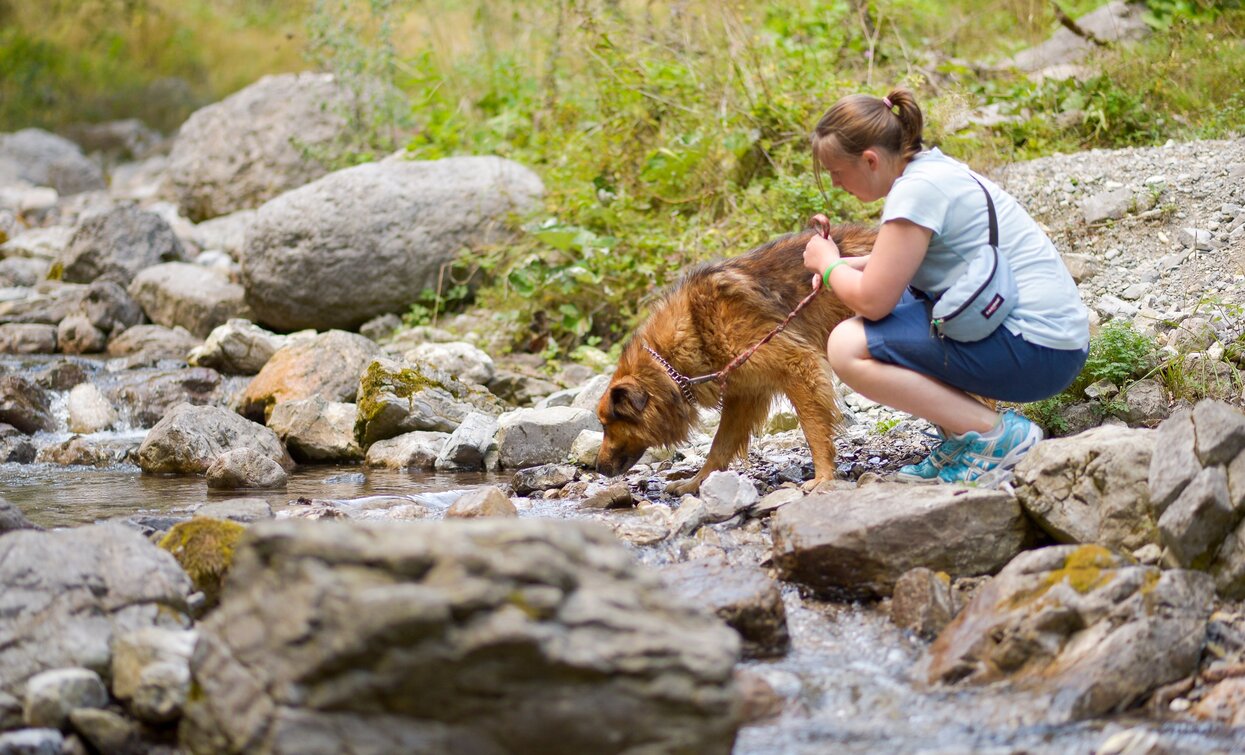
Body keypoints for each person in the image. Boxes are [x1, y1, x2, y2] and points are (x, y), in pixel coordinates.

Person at [802, 88, 1089, 484]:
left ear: (869, 160)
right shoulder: (931, 171)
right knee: (896, 307)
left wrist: (829, 265)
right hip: (1051, 340)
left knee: (847, 345)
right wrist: (849, 265)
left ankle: (997, 437)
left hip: (1038, 347)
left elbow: (873, 300)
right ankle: (964, 438)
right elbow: (916, 258)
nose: (835, 184)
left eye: (836, 172)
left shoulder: (917, 192)